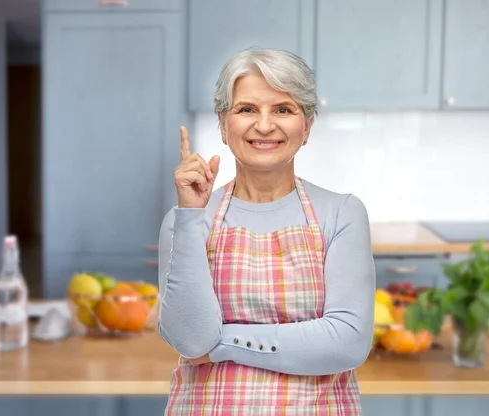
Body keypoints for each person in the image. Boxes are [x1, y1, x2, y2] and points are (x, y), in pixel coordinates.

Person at [158, 47, 376, 416]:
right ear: (223, 125)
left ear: (306, 126)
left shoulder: (341, 214)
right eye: (246, 109)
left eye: (283, 109)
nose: (264, 125)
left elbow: (347, 342)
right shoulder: (188, 220)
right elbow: (191, 340)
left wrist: (222, 343)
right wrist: (191, 216)